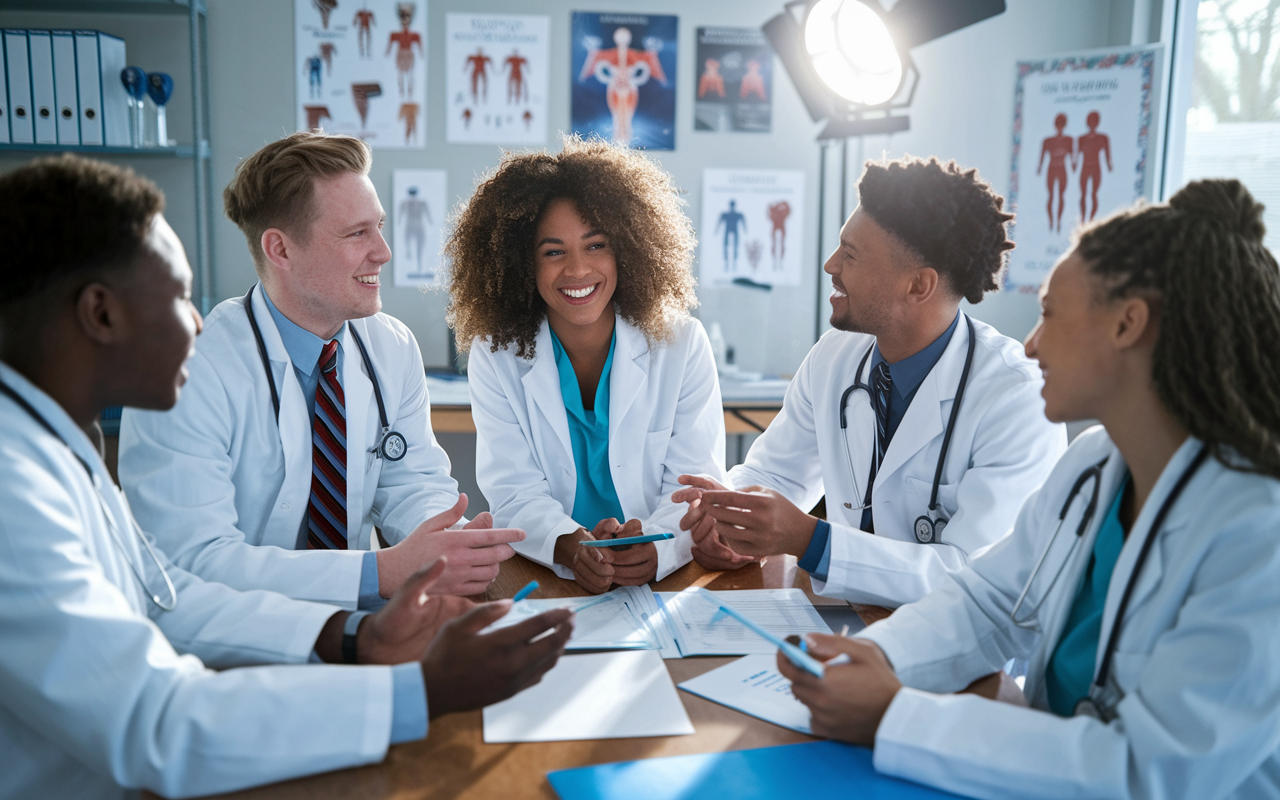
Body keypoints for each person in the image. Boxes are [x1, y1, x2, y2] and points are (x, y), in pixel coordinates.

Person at [0, 155, 573, 799]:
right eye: (179, 294)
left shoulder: (55, 445)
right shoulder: (14, 498)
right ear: (101, 314)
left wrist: (359, 635)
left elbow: (165, 600)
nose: (194, 321)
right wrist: (415, 688)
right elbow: (159, 722)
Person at [780, 178, 1280, 799]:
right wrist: (875, 658)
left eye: (1049, 313)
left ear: (1128, 325)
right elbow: (988, 602)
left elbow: (1147, 771)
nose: (1033, 344)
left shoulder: (1260, 533)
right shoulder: (1095, 466)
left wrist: (896, 716)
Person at [120, 132, 522, 610]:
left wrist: (450, 544)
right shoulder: (184, 369)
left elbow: (411, 482)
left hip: (357, 624)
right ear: (281, 250)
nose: (384, 252)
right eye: (357, 234)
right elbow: (190, 560)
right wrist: (384, 570)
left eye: (380, 227)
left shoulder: (389, 347)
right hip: (229, 642)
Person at [675, 157, 1067, 608]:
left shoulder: (1017, 397)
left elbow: (976, 578)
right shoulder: (836, 356)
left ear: (918, 286)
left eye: (851, 255)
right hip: (847, 622)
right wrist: (729, 519)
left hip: (959, 660)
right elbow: (774, 473)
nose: (830, 264)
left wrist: (811, 542)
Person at [446, 136, 727, 594]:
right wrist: (567, 545)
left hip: (662, 577)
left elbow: (696, 484)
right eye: (553, 251)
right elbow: (513, 490)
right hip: (546, 574)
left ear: (628, 249)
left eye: (595, 245)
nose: (577, 270)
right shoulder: (495, 354)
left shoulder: (681, 344)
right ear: (522, 264)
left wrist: (658, 550)